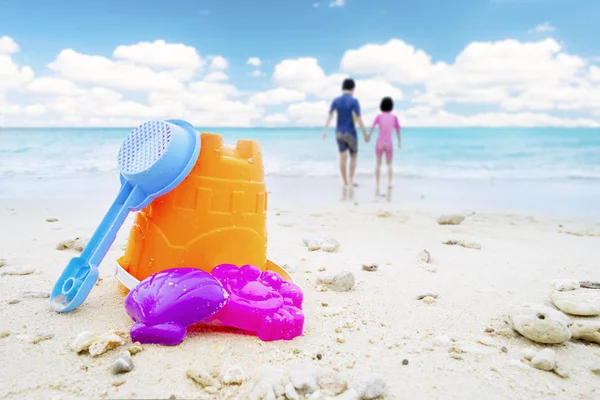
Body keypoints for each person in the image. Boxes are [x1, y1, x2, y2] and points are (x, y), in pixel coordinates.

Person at [322, 78, 368, 189]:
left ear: (342, 88)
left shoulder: (336, 100)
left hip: (339, 133)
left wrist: (325, 130)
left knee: (342, 157)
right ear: (353, 88)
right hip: (350, 133)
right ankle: (351, 181)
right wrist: (365, 134)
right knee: (353, 156)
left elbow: (330, 115)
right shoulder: (354, 101)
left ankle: (345, 182)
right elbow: (358, 118)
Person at [366, 96, 401, 199]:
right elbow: (398, 131)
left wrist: (368, 137)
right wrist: (399, 142)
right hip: (389, 144)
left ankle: (377, 185)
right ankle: (389, 184)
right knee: (389, 164)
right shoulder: (394, 118)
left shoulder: (378, 117)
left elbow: (372, 128)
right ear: (391, 107)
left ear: (381, 106)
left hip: (379, 143)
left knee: (378, 164)